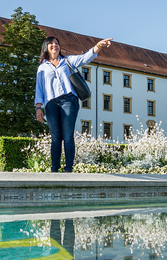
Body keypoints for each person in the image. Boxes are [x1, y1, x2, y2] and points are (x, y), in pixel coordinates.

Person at [35, 36, 112, 172]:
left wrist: (98, 46)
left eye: (57, 43)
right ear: (46, 47)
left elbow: (85, 58)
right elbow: (39, 88)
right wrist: (38, 107)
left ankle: (68, 168)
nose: (55, 45)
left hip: (68, 100)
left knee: (68, 135)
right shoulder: (42, 67)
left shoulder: (67, 61)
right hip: (51, 103)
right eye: (51, 44)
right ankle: (54, 169)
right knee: (55, 137)